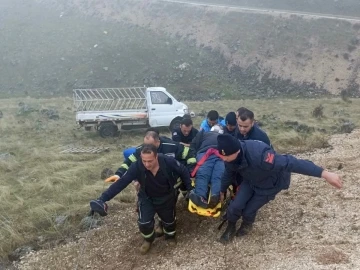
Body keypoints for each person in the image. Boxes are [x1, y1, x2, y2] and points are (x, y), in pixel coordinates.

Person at [216, 134, 343, 244]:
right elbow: (228, 173)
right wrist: (222, 189)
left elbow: (292, 163)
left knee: (249, 210)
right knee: (235, 206)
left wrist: (324, 174)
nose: (224, 159)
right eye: (222, 156)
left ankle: (246, 224)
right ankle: (231, 226)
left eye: (226, 156)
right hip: (250, 181)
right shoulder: (228, 157)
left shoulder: (261, 156)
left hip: (270, 185)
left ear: (237, 151)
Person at [90, 144, 193, 254]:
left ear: (156, 156)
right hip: (146, 198)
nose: (147, 164)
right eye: (144, 161)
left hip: (166, 197)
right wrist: (102, 199)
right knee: (144, 223)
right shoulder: (137, 166)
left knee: (169, 222)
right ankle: (148, 239)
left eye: (150, 161)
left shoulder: (168, 161)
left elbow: (183, 170)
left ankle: (170, 237)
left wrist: (190, 189)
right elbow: (122, 182)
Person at [189, 124, 225, 209]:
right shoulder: (223, 137)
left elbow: (193, 145)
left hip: (205, 153)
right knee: (218, 176)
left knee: (203, 175)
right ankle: (215, 195)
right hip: (220, 155)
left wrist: (193, 157)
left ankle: (200, 196)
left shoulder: (204, 134)